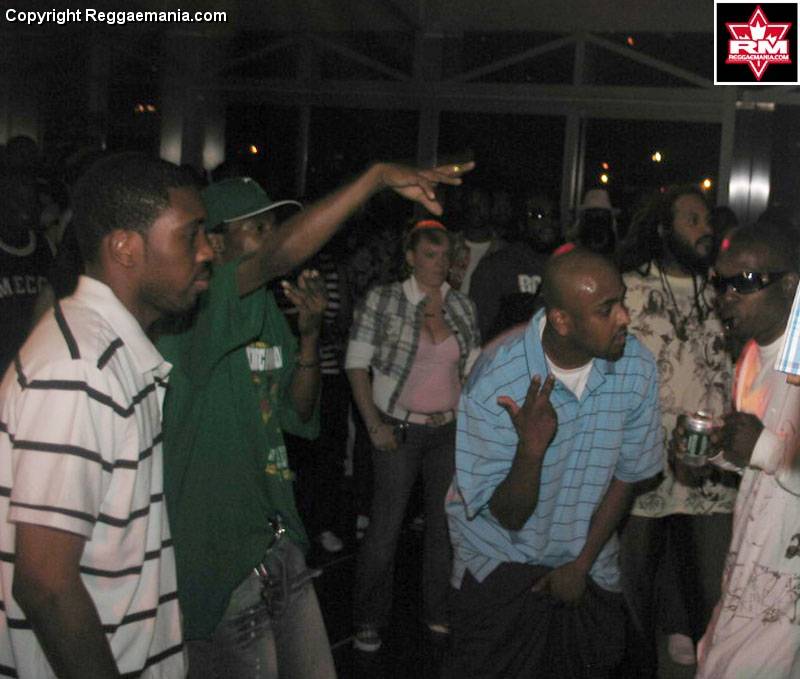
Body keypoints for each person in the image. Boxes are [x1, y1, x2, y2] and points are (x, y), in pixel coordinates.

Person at [157, 161, 474, 678]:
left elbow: (298, 414)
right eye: (256, 227)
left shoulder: (264, 311)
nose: (269, 237)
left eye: (272, 225)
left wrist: (307, 337)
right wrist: (373, 178)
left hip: (276, 536)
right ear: (214, 242)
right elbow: (279, 255)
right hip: (219, 553)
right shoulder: (195, 310)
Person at [0, 153, 213, 677]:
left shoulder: (108, 352)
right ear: (124, 247)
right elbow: (45, 584)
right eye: (190, 235)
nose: (208, 250)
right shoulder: (80, 371)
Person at [442, 245, 662, 679]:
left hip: (588, 557)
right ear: (561, 320)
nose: (624, 317)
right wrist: (531, 451)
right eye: (606, 309)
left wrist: (580, 564)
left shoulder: (635, 366)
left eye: (621, 301)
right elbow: (508, 516)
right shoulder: (498, 379)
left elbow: (627, 476)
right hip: (503, 559)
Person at [616, 185, 736, 673]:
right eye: (692, 220)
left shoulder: (725, 290)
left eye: (707, 220)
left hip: (713, 460)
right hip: (645, 459)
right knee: (632, 584)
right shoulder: (628, 289)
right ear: (664, 229)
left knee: (717, 588)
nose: (706, 229)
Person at [346, 219, 481, 653]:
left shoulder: (462, 306)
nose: (439, 263)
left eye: (445, 256)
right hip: (398, 428)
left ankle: (437, 610)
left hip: (447, 429)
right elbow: (356, 364)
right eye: (429, 254)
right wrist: (374, 425)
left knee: (444, 526)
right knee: (386, 526)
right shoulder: (384, 300)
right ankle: (368, 618)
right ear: (410, 257)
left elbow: (474, 372)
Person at [694, 222, 800, 679]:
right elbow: (763, 469)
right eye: (720, 283)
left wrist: (763, 447)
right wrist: (720, 449)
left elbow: (772, 452)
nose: (727, 296)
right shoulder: (752, 357)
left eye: (746, 282)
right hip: (751, 568)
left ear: (790, 284)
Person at [468, 191, 557, 342]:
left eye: (553, 215)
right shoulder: (497, 267)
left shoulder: (567, 267)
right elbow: (479, 330)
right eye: (538, 215)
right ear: (522, 223)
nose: (548, 222)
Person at [0, 172, 54, 375]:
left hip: (35, 362)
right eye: (16, 199)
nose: (25, 208)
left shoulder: (45, 246)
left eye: (30, 199)